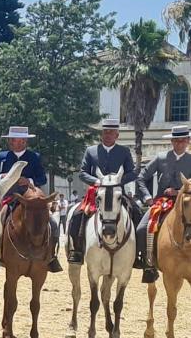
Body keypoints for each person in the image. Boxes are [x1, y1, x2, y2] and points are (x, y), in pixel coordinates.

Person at [66, 119, 137, 264]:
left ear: (117, 135)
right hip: (96, 193)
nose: (108, 135)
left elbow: (132, 173)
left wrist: (117, 181)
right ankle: (77, 250)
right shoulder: (91, 151)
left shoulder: (124, 151)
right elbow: (83, 173)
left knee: (137, 213)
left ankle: (138, 254)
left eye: (111, 132)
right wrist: (97, 181)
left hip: (117, 192)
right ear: (101, 134)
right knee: (77, 215)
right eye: (105, 132)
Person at [0, 125, 63, 273]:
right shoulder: (2, 156)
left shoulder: (34, 157)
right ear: (10, 142)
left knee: (52, 223)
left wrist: (29, 180)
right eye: (14, 140)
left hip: (31, 199)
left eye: (21, 141)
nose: (17, 143)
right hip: (9, 196)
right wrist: (1, 176)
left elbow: (42, 178)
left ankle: (51, 256)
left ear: (25, 142)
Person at [135, 124, 191, 282]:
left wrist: (179, 190)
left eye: (182, 140)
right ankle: (148, 264)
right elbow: (141, 177)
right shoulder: (160, 158)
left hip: (186, 202)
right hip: (161, 202)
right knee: (141, 229)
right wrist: (147, 197)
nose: (179, 144)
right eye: (176, 140)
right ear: (172, 142)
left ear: (188, 141)